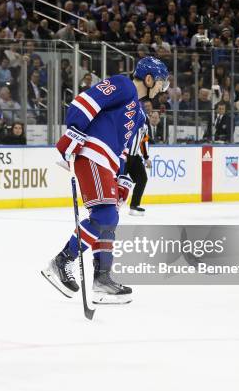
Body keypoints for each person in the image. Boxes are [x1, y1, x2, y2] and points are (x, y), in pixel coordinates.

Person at [41, 56, 169, 305]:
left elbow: (122, 149)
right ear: (150, 78)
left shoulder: (139, 114)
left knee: (110, 218)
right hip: (92, 154)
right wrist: (75, 132)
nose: (161, 90)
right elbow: (84, 102)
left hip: (106, 163)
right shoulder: (124, 85)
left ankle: (102, 280)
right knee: (105, 216)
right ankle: (61, 261)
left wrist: (121, 176)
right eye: (160, 84)